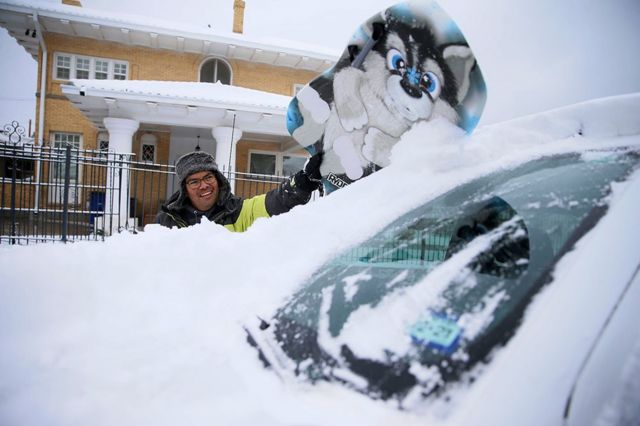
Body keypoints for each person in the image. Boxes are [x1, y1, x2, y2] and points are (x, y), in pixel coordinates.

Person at [155, 150, 322, 231]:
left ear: (218, 180)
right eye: (194, 181)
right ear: (185, 188)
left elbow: (275, 202)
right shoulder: (168, 220)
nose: (204, 185)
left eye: (208, 177)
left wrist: (302, 183)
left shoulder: (238, 210)